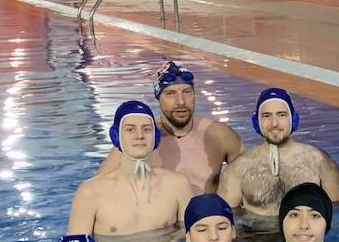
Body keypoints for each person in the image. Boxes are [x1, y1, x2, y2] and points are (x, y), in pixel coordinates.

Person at [95, 61, 242, 194]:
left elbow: (250, 180)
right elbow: (99, 189)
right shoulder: (140, 139)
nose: (181, 102)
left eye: (187, 92)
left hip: (209, 220)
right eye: (170, 94)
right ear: (158, 97)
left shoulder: (219, 135)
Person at [68, 100, 194, 237]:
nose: (139, 135)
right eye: (130, 129)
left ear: (156, 137)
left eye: (146, 129)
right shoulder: (89, 193)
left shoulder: (178, 185)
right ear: (116, 136)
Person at [218, 88, 339, 221]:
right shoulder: (239, 168)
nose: (274, 124)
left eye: (281, 115)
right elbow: (225, 218)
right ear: (256, 122)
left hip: (305, 237)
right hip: (257, 238)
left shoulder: (319, 161)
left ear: (293, 119)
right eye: (266, 116)